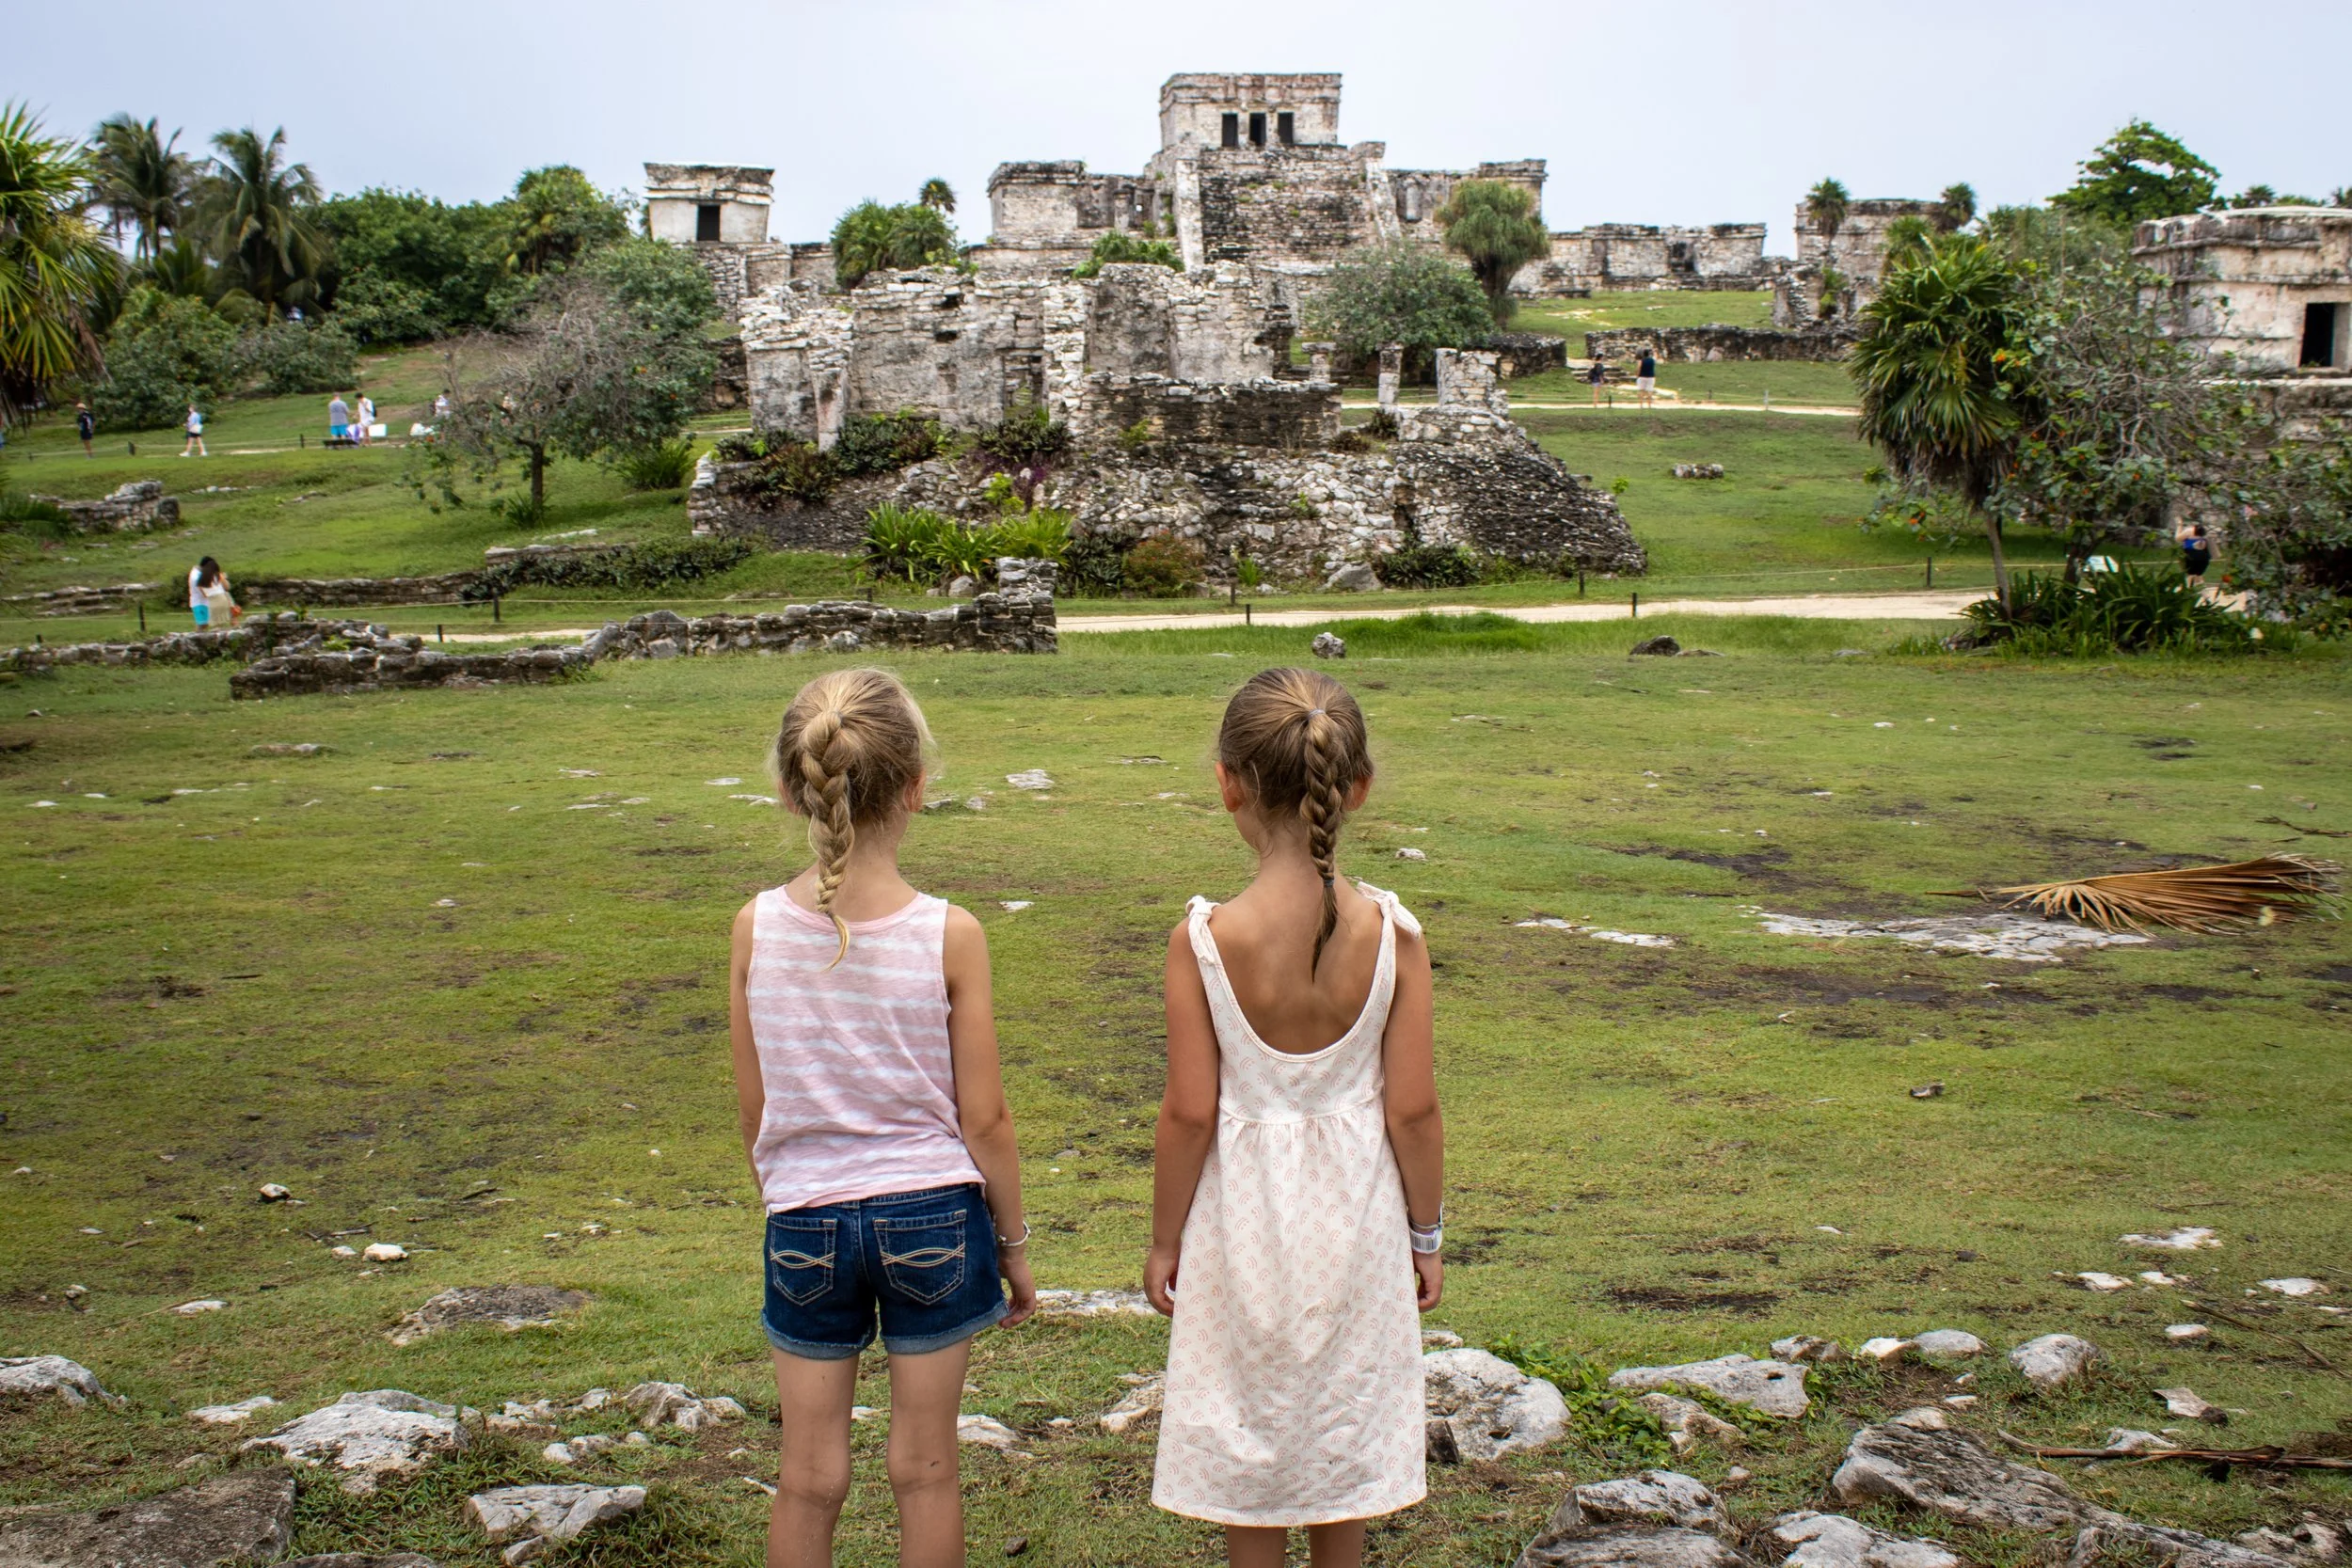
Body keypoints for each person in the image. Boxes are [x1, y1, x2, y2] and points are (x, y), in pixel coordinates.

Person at [728, 668, 1036, 1568]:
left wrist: (788, 1193)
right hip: (934, 1215)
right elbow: (985, 1115)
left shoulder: (753, 927)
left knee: (808, 1474)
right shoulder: (952, 932)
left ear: (791, 789)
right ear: (915, 786)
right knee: (928, 1469)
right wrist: (1012, 1242)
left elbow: (758, 1106)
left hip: (804, 1219)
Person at [1149, 668, 1444, 1568]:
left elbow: (1190, 1111)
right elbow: (1416, 1107)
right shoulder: (1394, 933)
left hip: (1242, 1224)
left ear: (1228, 782)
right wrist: (1425, 1232)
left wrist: (1164, 1241)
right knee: (1339, 1433)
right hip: (1356, 1220)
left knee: (1252, 1444)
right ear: (1356, 788)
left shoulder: (1207, 938)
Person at [188, 557, 236, 628]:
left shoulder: (210, 574)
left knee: (216, 622)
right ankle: (197, 638)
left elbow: (224, 587)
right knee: (203, 624)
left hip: (211, 600)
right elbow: (203, 592)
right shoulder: (196, 576)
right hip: (200, 602)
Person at [2178, 523, 2213, 589]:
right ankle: (2204, 592)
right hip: (2204, 558)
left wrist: (2179, 525)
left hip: (2192, 558)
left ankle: (2186, 590)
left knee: (2191, 575)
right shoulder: (2204, 538)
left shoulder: (2189, 534)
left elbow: (2177, 538)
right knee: (2198, 576)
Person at [1636, 346, 1659, 410]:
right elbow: (1656, 356)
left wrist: (1637, 375)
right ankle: (1649, 405)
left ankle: (1641, 405)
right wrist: (1655, 351)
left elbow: (1639, 368)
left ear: (1643, 354)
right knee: (1650, 390)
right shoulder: (1652, 360)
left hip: (1642, 376)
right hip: (1651, 376)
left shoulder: (1641, 361)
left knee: (1641, 390)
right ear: (1649, 354)